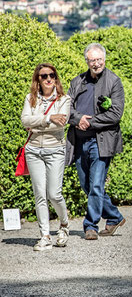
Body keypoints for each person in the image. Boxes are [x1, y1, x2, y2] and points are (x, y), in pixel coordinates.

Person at [66, 43, 126, 240]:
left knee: (96, 185)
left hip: (102, 142)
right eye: (92, 60)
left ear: (104, 60)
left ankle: (90, 225)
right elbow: (66, 108)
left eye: (99, 59)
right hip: (79, 142)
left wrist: (88, 122)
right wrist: (77, 119)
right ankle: (114, 216)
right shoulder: (77, 82)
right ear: (87, 61)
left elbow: (116, 114)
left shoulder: (114, 81)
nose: (96, 63)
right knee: (87, 185)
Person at [21, 63, 70, 251]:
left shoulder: (64, 99)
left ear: (56, 78)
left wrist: (36, 123)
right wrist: (49, 118)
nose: (48, 79)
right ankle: (45, 236)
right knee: (39, 194)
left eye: (52, 75)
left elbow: (61, 124)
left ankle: (64, 225)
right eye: (44, 76)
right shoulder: (30, 98)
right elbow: (25, 120)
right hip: (33, 150)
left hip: (55, 149)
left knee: (54, 194)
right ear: (38, 80)